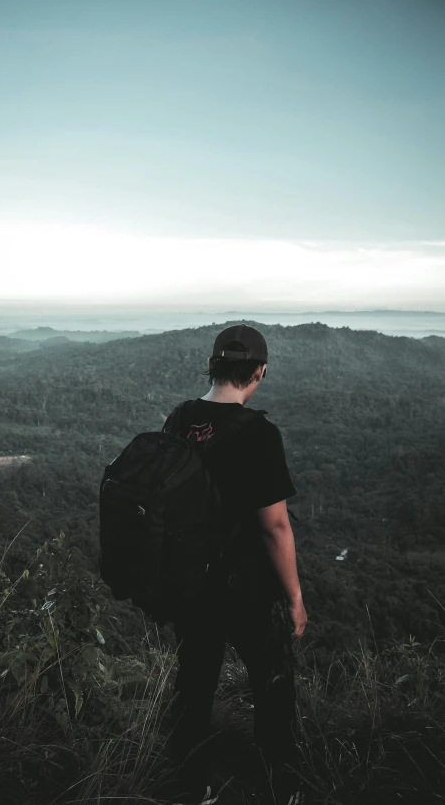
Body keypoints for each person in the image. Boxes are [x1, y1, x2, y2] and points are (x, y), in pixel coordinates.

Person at [162, 324, 307, 805]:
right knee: (272, 683)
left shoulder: (180, 418)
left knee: (195, 684)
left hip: (188, 583)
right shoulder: (259, 434)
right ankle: (280, 784)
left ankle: (191, 786)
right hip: (246, 586)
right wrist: (294, 598)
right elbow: (275, 528)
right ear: (260, 371)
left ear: (212, 366)